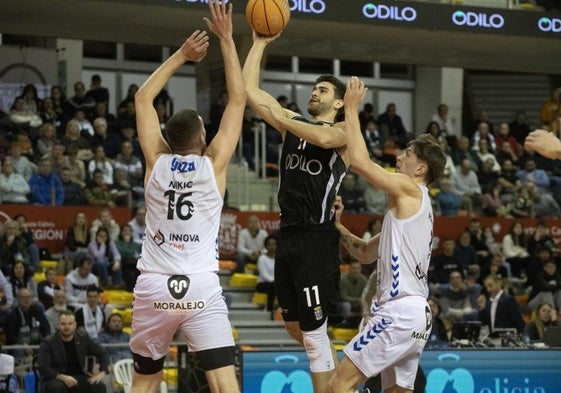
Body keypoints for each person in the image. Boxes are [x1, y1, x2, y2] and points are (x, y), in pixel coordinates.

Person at [129, 3, 244, 393]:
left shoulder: (156, 161)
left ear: (169, 139)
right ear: (201, 139)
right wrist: (227, 40)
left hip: (154, 286)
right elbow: (238, 100)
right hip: (199, 285)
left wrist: (181, 55)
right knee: (225, 385)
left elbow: (143, 99)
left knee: (145, 381)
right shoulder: (213, 165)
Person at [244, 31, 349, 393]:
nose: (315, 93)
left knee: (315, 331)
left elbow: (321, 139)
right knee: (294, 325)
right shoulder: (294, 125)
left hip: (316, 239)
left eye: (323, 90)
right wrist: (259, 43)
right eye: (314, 88)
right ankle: (341, 381)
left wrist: (280, 117)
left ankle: (332, 388)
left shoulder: (344, 131)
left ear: (338, 103)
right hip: (287, 235)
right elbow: (250, 92)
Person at [326, 77, 446, 393]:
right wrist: (337, 226)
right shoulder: (412, 212)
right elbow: (366, 252)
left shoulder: (410, 189)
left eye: (406, 154)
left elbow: (363, 164)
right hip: (417, 315)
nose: (398, 157)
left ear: (420, 168)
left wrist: (351, 110)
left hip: (399, 312)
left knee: (337, 385)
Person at [37, 310, 108, 393]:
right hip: (55, 378)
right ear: (58, 325)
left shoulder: (83, 338)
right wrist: (62, 377)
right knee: (57, 387)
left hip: (78, 376)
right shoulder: (48, 342)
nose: (67, 327)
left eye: (70, 323)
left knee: (99, 386)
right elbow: (43, 367)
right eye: (63, 324)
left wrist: (102, 372)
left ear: (75, 325)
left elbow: (102, 352)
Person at [338, 260, 368, 328]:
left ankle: (363, 323)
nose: (356, 270)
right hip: (345, 303)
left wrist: (362, 301)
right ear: (349, 269)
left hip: (358, 304)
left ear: (361, 269)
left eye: (358, 268)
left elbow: (366, 294)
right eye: (354, 268)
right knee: (346, 305)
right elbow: (343, 296)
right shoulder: (344, 280)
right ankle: (345, 322)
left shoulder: (363, 279)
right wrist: (358, 300)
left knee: (367, 304)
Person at [255, 235, 277, 315]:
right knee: (272, 287)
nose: (272, 246)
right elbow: (264, 274)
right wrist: (275, 282)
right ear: (266, 246)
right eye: (269, 244)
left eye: (274, 244)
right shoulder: (262, 258)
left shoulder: (279, 259)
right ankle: (269, 309)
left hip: (276, 284)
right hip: (262, 284)